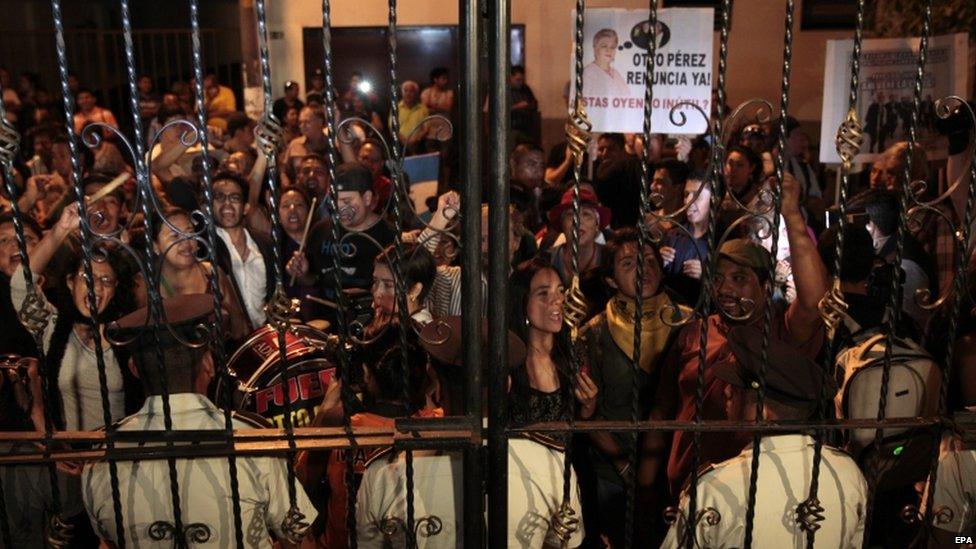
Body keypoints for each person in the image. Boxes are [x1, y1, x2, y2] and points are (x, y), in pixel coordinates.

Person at [640, 173, 829, 496]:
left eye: (740, 278)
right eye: (718, 278)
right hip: (685, 491)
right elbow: (663, 408)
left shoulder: (779, 332)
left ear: (766, 288)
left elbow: (813, 303)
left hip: (752, 496)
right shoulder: (696, 332)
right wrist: (645, 488)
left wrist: (793, 215)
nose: (725, 289)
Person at [82, 295, 317, 547]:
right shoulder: (250, 440)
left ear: (134, 369)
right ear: (208, 364)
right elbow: (299, 537)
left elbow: (106, 539)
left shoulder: (102, 457)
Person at [661, 325, 867, 548]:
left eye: (738, 389)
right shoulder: (848, 473)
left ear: (762, 411)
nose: (726, 392)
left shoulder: (716, 488)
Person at [578, 228, 690, 546]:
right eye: (628, 263)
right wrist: (625, 465)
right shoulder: (594, 334)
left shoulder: (688, 323)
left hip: (674, 471)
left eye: (650, 261)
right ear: (611, 279)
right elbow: (586, 410)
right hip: (613, 473)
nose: (644, 269)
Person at [506, 258, 593, 548]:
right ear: (522, 304)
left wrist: (589, 406)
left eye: (560, 290)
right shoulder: (508, 360)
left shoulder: (573, 352)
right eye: (543, 293)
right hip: (522, 485)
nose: (557, 300)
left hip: (566, 483)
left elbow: (581, 427)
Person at [287, 162, 395, 312]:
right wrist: (302, 273)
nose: (338, 207)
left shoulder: (388, 235)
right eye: (334, 199)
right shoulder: (320, 230)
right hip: (326, 322)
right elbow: (311, 281)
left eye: (346, 201)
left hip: (371, 323)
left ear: (367, 198)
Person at [143, 207, 250, 340]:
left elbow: (240, 324)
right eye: (175, 236)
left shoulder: (212, 274)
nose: (186, 243)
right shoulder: (146, 285)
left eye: (190, 233)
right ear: (155, 246)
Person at [212, 171, 275, 333]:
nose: (227, 203)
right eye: (219, 197)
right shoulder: (206, 247)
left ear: (246, 207)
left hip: (266, 335)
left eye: (234, 198)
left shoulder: (265, 243)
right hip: (231, 342)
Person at [545, 187, 611, 320]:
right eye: (570, 215)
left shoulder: (610, 259)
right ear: (562, 225)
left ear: (597, 224)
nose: (578, 221)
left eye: (586, 214)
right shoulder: (546, 260)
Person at [661, 172, 711, 304]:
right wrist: (657, 262)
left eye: (696, 195)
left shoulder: (722, 239)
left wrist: (706, 274)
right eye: (686, 194)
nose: (687, 201)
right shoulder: (673, 235)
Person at [593, 132, 642, 228]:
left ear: (622, 150)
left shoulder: (632, 170)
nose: (605, 153)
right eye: (601, 149)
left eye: (611, 149)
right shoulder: (594, 169)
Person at [582, 28, 630, 98]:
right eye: (604, 46)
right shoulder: (588, 73)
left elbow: (628, 96)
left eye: (612, 47)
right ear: (595, 49)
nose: (608, 50)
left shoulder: (615, 73)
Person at [392, 80, 429, 155]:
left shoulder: (423, 109)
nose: (408, 94)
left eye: (411, 91)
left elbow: (426, 128)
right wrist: (405, 142)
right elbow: (392, 128)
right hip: (400, 146)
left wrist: (416, 140)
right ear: (402, 93)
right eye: (406, 91)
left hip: (419, 145)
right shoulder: (395, 108)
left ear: (416, 93)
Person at [509, 65, 539, 142]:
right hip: (511, 129)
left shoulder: (525, 89)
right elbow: (501, 111)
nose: (520, 83)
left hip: (526, 129)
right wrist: (517, 106)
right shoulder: (505, 91)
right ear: (510, 77)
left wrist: (530, 105)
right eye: (518, 80)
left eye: (522, 80)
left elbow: (534, 103)